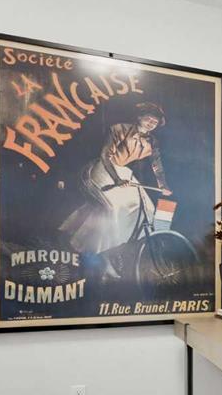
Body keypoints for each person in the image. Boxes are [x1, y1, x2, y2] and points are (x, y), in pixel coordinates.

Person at [59, 102, 172, 280]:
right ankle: (101, 256)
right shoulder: (119, 129)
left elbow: (156, 165)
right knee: (112, 209)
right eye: (148, 119)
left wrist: (163, 185)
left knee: (148, 210)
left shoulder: (152, 141)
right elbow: (105, 155)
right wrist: (117, 179)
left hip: (124, 173)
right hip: (103, 169)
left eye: (155, 122)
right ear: (139, 117)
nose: (151, 124)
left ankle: (113, 248)